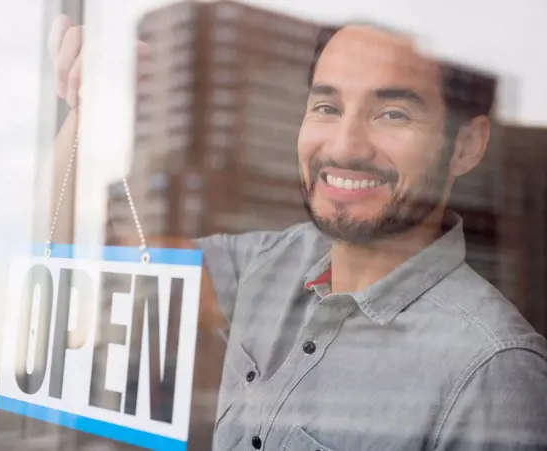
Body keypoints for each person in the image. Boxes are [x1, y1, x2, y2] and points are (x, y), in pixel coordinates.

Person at [48, 15, 547, 451]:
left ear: (466, 146)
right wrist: (88, 105)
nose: (345, 146)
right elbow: (86, 265)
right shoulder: (266, 264)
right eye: (327, 108)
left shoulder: (495, 371)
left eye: (392, 113)